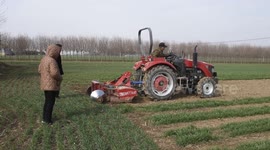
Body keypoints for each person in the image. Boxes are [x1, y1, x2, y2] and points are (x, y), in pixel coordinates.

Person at [38, 44, 62, 124]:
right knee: (50, 102)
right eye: (58, 52)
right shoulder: (52, 61)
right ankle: (47, 120)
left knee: (47, 101)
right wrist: (60, 78)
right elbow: (55, 73)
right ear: (54, 51)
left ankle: (44, 118)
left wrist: (45, 75)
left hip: (45, 84)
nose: (58, 54)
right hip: (51, 85)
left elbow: (39, 70)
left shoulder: (44, 59)